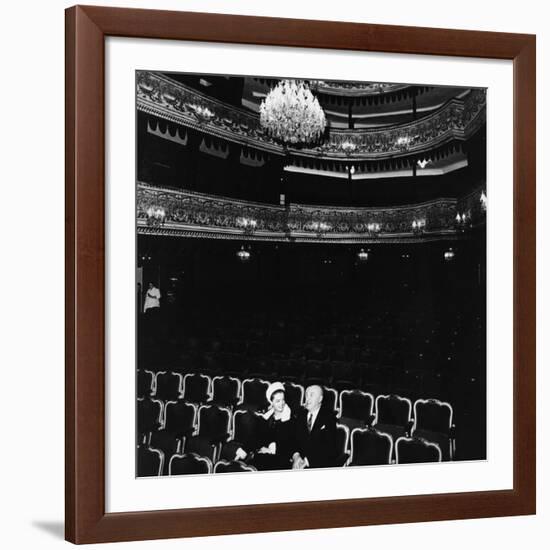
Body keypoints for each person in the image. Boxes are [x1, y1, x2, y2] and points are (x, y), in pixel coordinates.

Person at [291, 385, 338, 470]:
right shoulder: (300, 414)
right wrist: (296, 456)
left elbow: (329, 448)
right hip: (298, 462)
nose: (307, 399)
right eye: (306, 395)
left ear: (320, 399)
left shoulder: (329, 417)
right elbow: (294, 439)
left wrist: (306, 461)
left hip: (318, 464)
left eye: (311, 395)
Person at [253, 382, 297, 471]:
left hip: (282, 459)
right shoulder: (267, 418)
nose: (281, 403)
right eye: (277, 401)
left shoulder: (290, 419)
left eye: (283, 400)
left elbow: (290, 445)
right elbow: (257, 437)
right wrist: (262, 447)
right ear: (271, 402)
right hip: (264, 455)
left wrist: (272, 451)